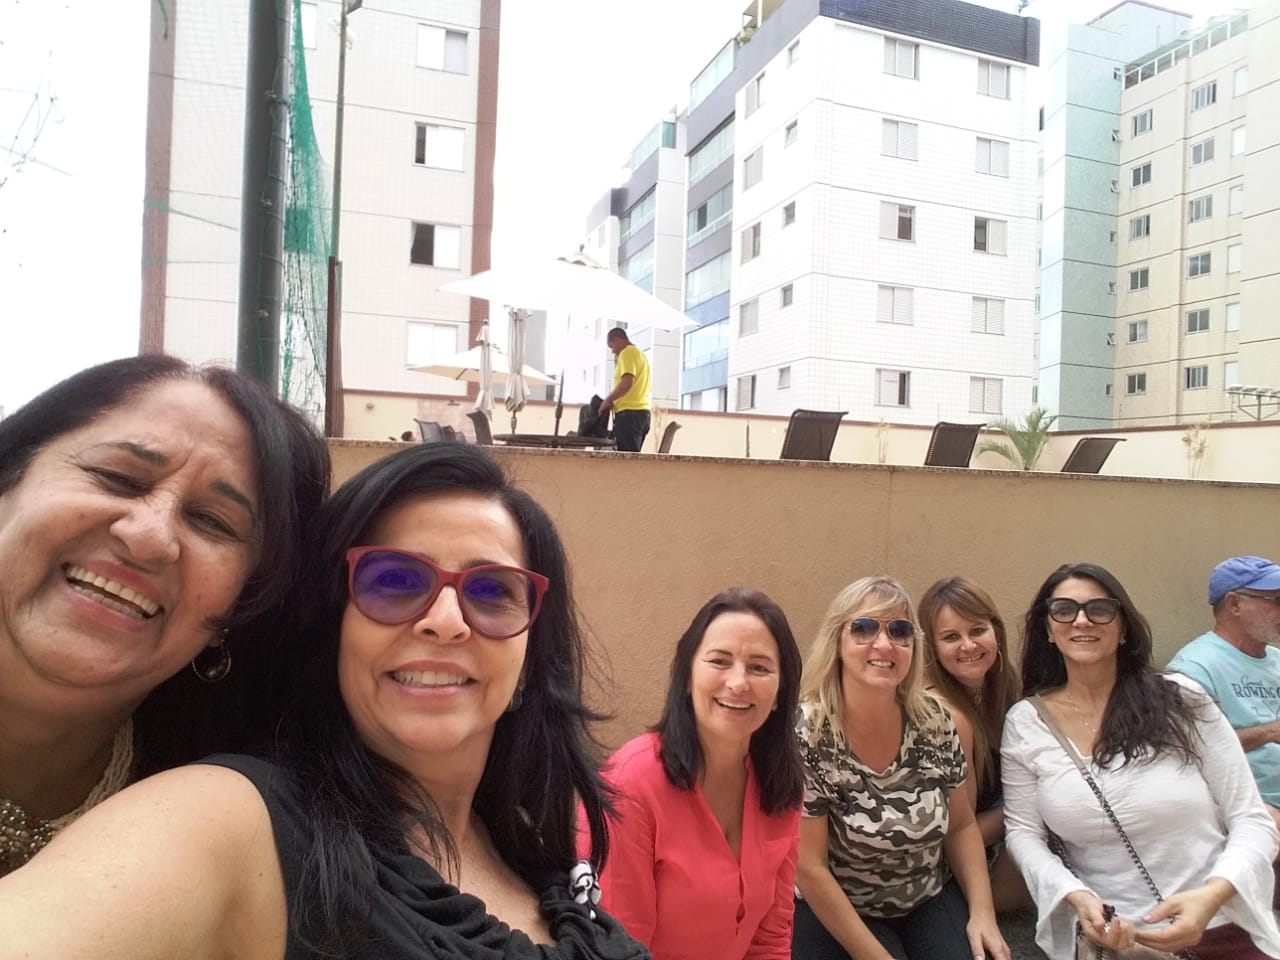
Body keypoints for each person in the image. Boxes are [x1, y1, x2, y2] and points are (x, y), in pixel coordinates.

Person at [0, 443, 647, 960]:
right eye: (394, 580)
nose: (447, 621)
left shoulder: (532, 848)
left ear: (531, 657)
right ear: (332, 627)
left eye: (492, 591)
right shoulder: (232, 821)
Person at [0, 354, 329, 877]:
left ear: (238, 609)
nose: (149, 536)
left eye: (211, 521)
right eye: (117, 478)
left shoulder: (247, 833)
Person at [1002, 562, 1280, 960]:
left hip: (1221, 928)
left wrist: (1211, 896)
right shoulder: (1026, 723)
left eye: (1100, 609)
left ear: (1123, 628)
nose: (1082, 620)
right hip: (1118, 939)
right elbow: (1023, 833)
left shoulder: (1183, 700)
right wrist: (1074, 895)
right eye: (1063, 609)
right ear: (1047, 628)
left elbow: (1251, 818)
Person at [792, 576, 1009, 960]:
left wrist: (983, 914)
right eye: (864, 628)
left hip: (926, 896)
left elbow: (961, 825)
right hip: (840, 905)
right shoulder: (808, 731)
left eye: (899, 630)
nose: (884, 643)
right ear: (837, 642)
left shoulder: (937, 720)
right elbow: (810, 868)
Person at [591, 588, 804, 959]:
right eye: (720, 661)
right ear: (687, 677)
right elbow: (619, 950)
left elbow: (770, 942)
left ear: (781, 691)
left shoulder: (780, 784)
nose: (738, 683)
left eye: (759, 667)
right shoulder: (630, 784)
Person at [918, 575, 1026, 914]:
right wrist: (1033, 810)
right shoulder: (941, 713)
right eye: (951, 637)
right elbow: (963, 833)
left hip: (996, 837)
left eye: (978, 630)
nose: (968, 646)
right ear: (932, 647)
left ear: (996, 632)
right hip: (948, 865)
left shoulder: (1004, 687)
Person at [1168, 556, 1280, 832]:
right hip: (1249, 812)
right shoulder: (1194, 669)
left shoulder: (1276, 659)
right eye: (1276, 600)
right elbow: (1189, 752)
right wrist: (1268, 732)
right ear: (1234, 604)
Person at [598, 327, 651, 452]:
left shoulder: (627, 352)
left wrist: (608, 400)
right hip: (642, 413)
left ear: (617, 339)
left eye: (611, 346)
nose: (612, 351)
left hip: (629, 414)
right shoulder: (639, 354)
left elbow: (627, 382)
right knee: (632, 456)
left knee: (627, 459)